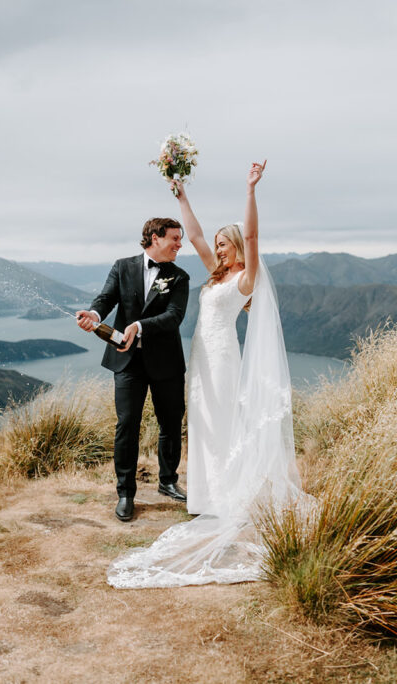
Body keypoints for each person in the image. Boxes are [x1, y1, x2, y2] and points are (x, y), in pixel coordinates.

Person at [107, 161, 310, 588]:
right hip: (199, 360)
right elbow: (194, 235)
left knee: (222, 425)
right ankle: (203, 496)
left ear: (238, 247)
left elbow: (252, 236)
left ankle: (225, 497)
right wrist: (181, 197)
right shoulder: (216, 274)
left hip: (221, 361)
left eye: (224, 245)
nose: (217, 250)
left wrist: (251, 189)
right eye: (217, 245)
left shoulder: (246, 279)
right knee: (199, 424)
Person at [75, 218, 191, 522]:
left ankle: (168, 481)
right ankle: (126, 493)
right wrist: (94, 314)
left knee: (170, 422)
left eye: (181, 239)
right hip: (127, 363)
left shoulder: (180, 277)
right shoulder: (122, 266)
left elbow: (173, 317)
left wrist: (138, 327)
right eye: (175, 239)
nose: (180, 244)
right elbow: (106, 299)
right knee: (127, 425)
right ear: (155, 238)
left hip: (166, 362)